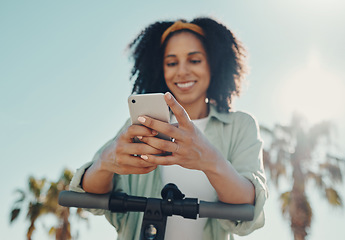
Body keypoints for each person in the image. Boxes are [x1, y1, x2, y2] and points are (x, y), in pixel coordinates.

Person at [70, 17, 268, 240]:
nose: (182, 72)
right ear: (159, 69)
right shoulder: (140, 125)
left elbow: (249, 207)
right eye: (171, 63)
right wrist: (105, 163)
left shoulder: (240, 126)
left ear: (214, 64)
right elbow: (90, 195)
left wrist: (211, 161)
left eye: (194, 60)